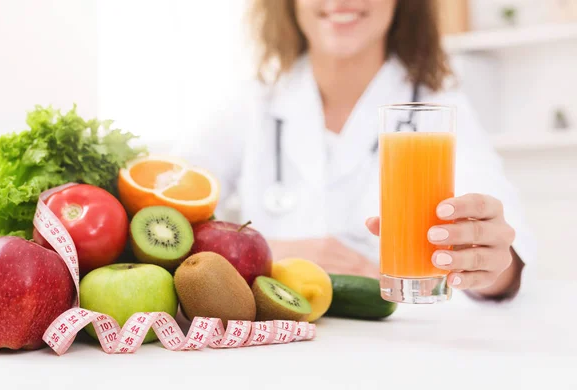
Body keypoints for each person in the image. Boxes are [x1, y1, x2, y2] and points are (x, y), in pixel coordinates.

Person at [182, 0, 534, 301]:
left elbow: (507, 252)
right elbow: (167, 212)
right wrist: (269, 251)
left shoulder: (438, 105)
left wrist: (490, 264)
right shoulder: (252, 103)